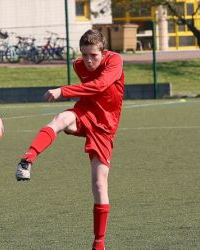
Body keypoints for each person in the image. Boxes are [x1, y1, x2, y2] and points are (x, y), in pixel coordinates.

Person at [15, 29, 124, 250]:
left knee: (99, 184)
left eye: (93, 55)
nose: (88, 60)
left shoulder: (115, 61)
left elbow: (100, 85)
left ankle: (98, 244)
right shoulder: (78, 65)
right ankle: (27, 160)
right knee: (62, 118)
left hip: (105, 126)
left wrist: (63, 90)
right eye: (85, 55)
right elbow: (87, 89)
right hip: (84, 113)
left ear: (103, 52)